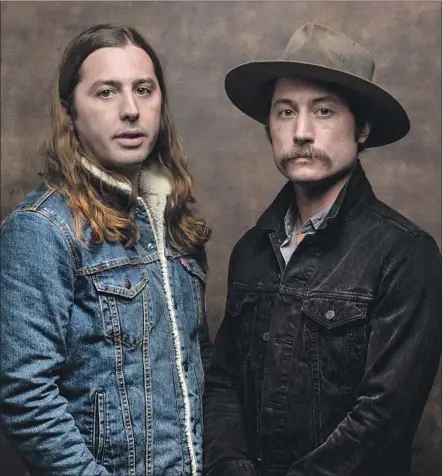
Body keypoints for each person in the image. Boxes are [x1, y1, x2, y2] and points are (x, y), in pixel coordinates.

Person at [203, 23, 441, 476]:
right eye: (285, 112)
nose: (302, 132)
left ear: (363, 127)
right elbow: (224, 382)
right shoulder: (251, 251)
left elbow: (382, 419)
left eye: (324, 111)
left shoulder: (405, 254)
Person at [1, 24, 211, 476]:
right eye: (105, 93)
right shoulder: (42, 229)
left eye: (143, 89)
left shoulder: (174, 225)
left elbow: (197, 372)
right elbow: (25, 395)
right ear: (70, 113)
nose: (131, 110)